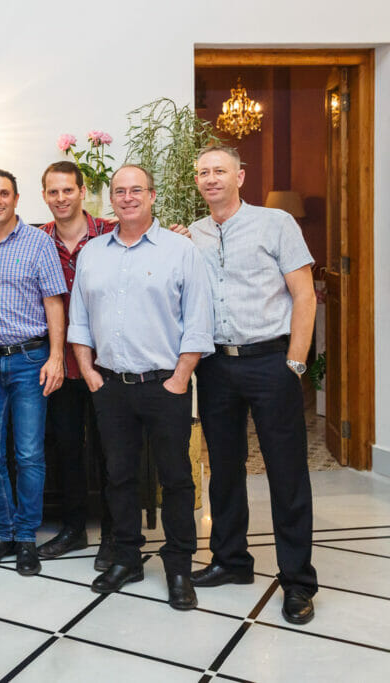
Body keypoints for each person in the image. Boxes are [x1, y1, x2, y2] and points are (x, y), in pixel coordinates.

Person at [68, 164, 214, 610]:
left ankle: (179, 568)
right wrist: (90, 373)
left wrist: (180, 378)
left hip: (165, 385)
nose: (128, 198)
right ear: (110, 200)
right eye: (120, 191)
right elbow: (79, 319)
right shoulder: (93, 253)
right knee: (119, 477)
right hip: (110, 386)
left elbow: (198, 320)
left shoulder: (180, 250)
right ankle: (127, 559)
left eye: (136, 190)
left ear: (152, 196)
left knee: (176, 479)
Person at [189, 145, 319, 624]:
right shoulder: (193, 235)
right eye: (203, 172)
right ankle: (231, 560)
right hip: (215, 365)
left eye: (219, 171)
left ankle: (298, 582)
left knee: (287, 473)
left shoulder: (275, 224)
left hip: (271, 363)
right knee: (224, 469)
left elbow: (304, 295)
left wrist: (295, 364)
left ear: (240, 176)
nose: (211, 179)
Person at [0, 169, 68, 576]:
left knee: (28, 455)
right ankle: (3, 532)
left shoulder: (39, 243)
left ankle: (25, 537)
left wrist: (56, 357)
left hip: (29, 361)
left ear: (17, 198)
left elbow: (54, 303)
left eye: (3, 193)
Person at [36, 161, 115, 569]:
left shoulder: (112, 232)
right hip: (60, 364)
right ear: (44, 196)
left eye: (68, 190)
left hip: (107, 363)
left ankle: (115, 535)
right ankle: (73, 528)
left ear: (83, 191)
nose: (61, 198)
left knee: (111, 450)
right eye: (53, 192)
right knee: (66, 449)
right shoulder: (36, 240)